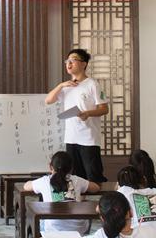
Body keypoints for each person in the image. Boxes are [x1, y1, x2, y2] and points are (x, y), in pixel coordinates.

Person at [45, 48, 109, 183]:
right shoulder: (66, 86)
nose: (69, 64)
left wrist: (87, 113)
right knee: (75, 178)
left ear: (84, 64)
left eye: (73, 61)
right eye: (67, 61)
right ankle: (80, 204)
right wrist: (61, 85)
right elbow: (48, 100)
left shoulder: (92, 84)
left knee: (93, 176)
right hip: (71, 138)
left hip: (89, 138)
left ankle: (98, 204)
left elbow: (104, 109)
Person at [23, 150, 100, 234]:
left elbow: (26, 186)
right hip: (78, 229)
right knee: (87, 210)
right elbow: (96, 187)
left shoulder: (44, 181)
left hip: (53, 229)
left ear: (50, 167)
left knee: (39, 218)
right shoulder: (77, 180)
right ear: (71, 168)